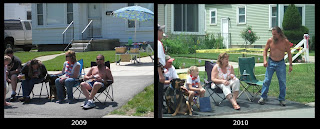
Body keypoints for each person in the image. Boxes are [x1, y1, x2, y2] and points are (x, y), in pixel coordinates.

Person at [258, 26, 293, 106]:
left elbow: (289, 53)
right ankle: (263, 97)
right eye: (272, 34)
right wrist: (265, 60)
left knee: (282, 82)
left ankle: (282, 99)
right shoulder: (270, 40)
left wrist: (290, 64)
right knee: (266, 80)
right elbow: (265, 50)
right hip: (271, 62)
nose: (273, 36)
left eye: (275, 34)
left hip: (280, 63)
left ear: (279, 33)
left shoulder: (285, 42)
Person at [158, 24, 166, 118]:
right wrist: (161, 75)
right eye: (161, 31)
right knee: (159, 98)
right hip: (159, 71)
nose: (162, 33)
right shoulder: (158, 43)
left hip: (160, 70)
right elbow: (158, 60)